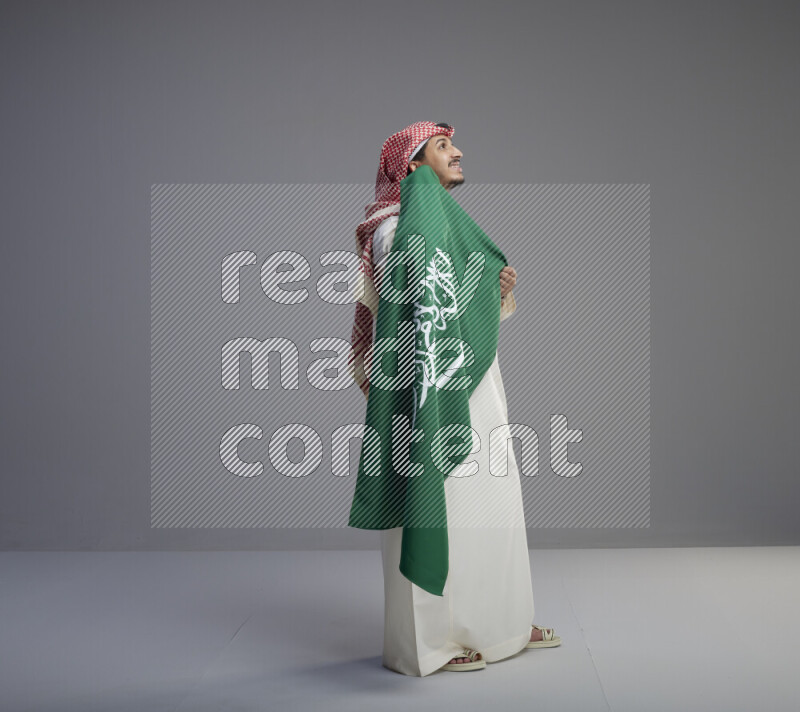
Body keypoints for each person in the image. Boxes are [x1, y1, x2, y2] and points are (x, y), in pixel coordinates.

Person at [349, 121, 561, 676]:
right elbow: (417, 305)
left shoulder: (445, 222)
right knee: (433, 499)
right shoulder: (394, 227)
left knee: (491, 503)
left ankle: (504, 626)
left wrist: (494, 293)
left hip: (474, 381)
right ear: (412, 167)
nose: (458, 152)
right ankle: (428, 644)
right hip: (425, 387)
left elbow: (454, 305)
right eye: (442, 147)